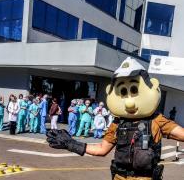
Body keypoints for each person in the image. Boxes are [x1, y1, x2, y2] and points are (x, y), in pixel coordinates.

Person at [47, 57, 184, 180]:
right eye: (123, 91)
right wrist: (71, 144)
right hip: (119, 177)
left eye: (134, 90)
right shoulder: (118, 123)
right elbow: (102, 149)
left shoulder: (157, 121)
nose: (129, 102)